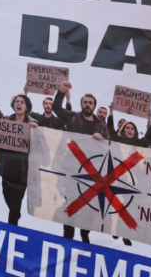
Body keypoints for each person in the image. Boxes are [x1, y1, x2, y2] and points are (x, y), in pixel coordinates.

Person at [52, 81, 109, 243]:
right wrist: (61, 92)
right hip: (72, 167)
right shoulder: (73, 117)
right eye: (85, 102)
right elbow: (56, 108)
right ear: (81, 104)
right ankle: (68, 237)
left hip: (92, 171)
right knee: (70, 202)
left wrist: (102, 139)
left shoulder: (101, 125)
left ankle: (85, 235)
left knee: (88, 204)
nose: (87, 105)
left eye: (90, 103)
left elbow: (108, 147)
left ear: (94, 106)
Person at [0, 94, 37, 226]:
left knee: (16, 203)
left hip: (22, 172)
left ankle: (13, 222)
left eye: (22, 102)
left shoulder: (34, 124)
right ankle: (15, 214)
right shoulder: (5, 121)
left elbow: (39, 145)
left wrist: (35, 131)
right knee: (8, 198)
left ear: (26, 107)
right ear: (14, 105)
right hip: (6, 170)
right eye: (17, 101)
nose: (19, 103)